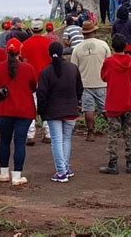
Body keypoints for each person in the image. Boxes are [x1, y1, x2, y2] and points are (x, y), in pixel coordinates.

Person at [0, 38, 37, 186]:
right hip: (24, 110)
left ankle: (4, 173)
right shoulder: (28, 68)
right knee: (19, 142)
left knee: (4, 141)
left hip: (4, 110)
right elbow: (33, 86)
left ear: (6, 50)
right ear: (20, 51)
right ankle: (17, 175)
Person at [37, 42, 83, 183]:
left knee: (56, 140)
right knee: (66, 139)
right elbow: (80, 89)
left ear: (49, 54)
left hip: (53, 112)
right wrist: (76, 102)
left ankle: (61, 171)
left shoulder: (46, 72)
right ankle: (66, 168)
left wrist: (42, 112)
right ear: (62, 52)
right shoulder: (73, 68)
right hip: (71, 110)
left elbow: (41, 94)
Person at [100, 34, 131, 175]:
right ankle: (130, 162)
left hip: (114, 102)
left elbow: (104, 77)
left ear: (112, 46)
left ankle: (113, 163)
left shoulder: (109, 62)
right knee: (129, 132)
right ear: (125, 46)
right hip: (129, 101)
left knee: (113, 133)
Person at [71, 21, 111, 141]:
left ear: (83, 34)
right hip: (101, 82)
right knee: (105, 109)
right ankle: (114, 128)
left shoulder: (77, 49)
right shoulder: (103, 45)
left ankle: (90, 133)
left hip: (85, 84)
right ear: (94, 31)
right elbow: (109, 63)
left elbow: (74, 69)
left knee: (88, 110)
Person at [21, 19, 52, 145]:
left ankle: (30, 134)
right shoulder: (49, 43)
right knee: (47, 107)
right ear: (42, 29)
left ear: (32, 29)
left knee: (31, 107)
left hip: (31, 79)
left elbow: (22, 61)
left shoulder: (25, 44)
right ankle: (48, 133)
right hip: (46, 79)